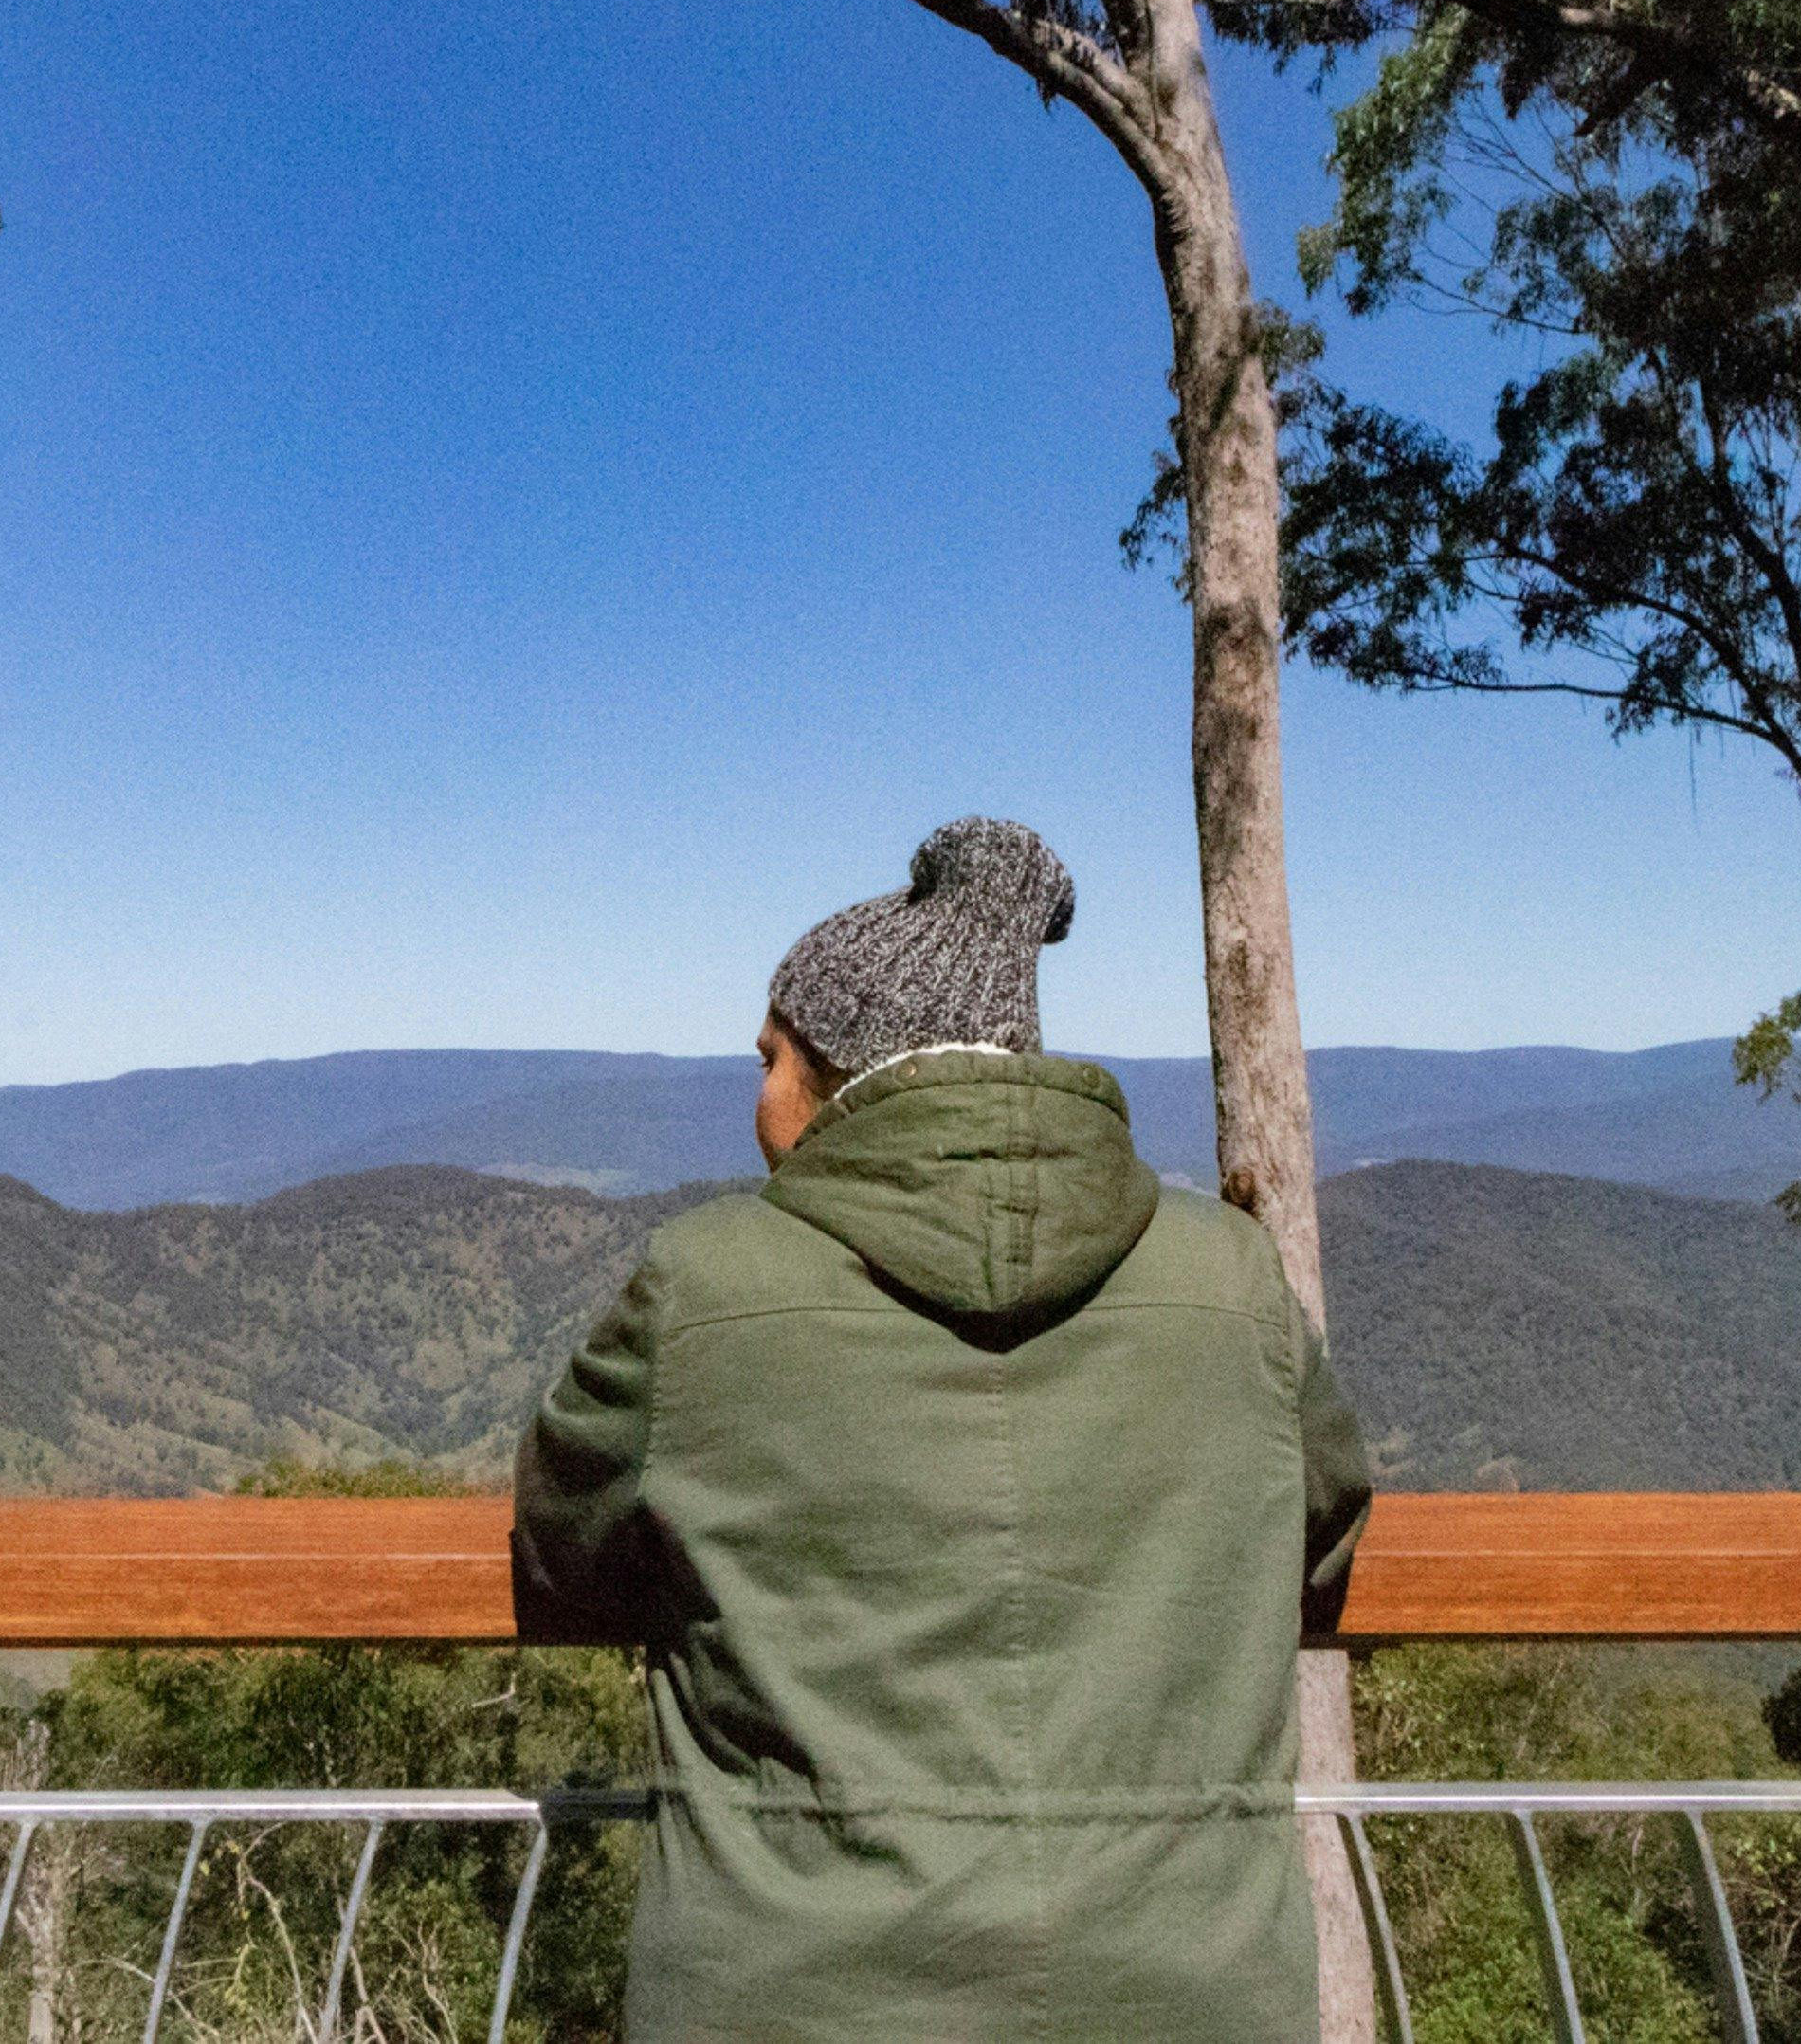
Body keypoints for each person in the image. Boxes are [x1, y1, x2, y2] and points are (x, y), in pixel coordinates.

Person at [512, 816, 1373, 2041]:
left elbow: (564, 1549)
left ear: (839, 1080)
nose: (755, 1099)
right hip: (1184, 1991)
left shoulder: (699, 1291)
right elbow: (1321, 1536)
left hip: (790, 1998)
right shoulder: (1233, 1283)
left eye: (769, 1059)